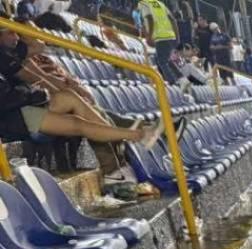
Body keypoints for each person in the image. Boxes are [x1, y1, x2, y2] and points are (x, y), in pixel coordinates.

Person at [0, 28, 162, 149]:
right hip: (13, 117)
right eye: (10, 32)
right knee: (78, 124)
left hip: (22, 106)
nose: (16, 37)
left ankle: (116, 137)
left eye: (17, 32)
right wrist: (32, 94)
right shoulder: (4, 59)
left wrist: (36, 94)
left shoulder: (6, 54)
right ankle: (136, 136)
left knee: (69, 96)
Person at [137, 0, 180, 83]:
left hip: (160, 37)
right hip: (171, 36)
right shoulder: (160, 4)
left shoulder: (143, 3)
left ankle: (174, 83)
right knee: (168, 60)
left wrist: (149, 36)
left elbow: (150, 19)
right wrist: (177, 37)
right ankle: (182, 79)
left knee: (162, 62)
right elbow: (173, 20)